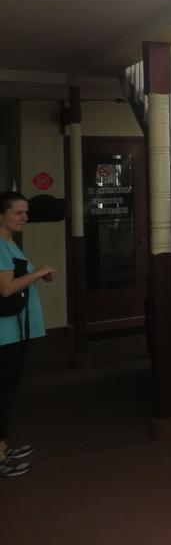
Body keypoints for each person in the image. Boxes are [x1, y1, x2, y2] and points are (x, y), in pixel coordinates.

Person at [0, 191, 57, 478]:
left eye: (26, 212)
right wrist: (38, 273)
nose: (25, 217)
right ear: (1, 215)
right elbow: (6, 289)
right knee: (3, 392)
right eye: (18, 213)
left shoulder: (9, 244)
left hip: (15, 330)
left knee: (8, 390)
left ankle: (3, 447)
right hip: (4, 333)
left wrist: (37, 274)